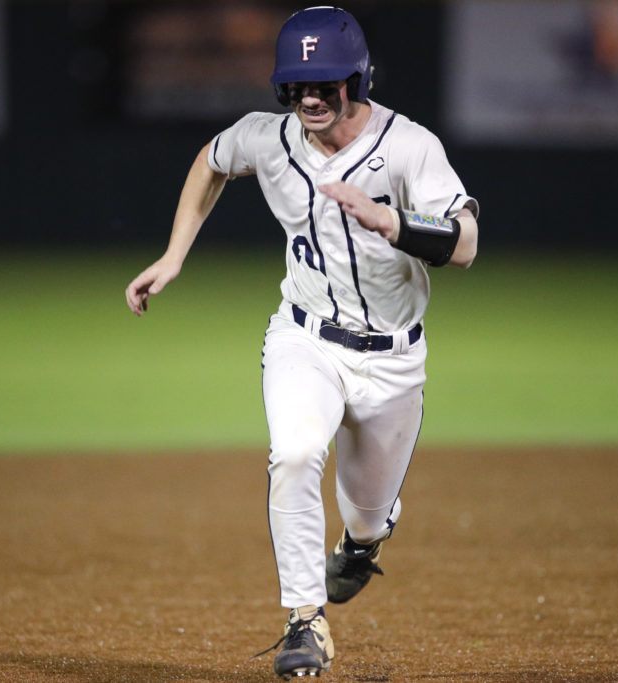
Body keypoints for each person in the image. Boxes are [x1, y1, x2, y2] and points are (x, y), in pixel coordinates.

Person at [125, 6, 479, 679]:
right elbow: (212, 161)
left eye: (326, 85)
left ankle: (364, 541)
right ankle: (305, 622)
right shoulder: (268, 138)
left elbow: (465, 243)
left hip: (394, 360)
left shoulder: (409, 146)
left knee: (367, 518)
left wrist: (393, 221)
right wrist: (174, 256)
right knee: (292, 453)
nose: (311, 99)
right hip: (305, 338)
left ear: (359, 79)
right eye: (296, 87)